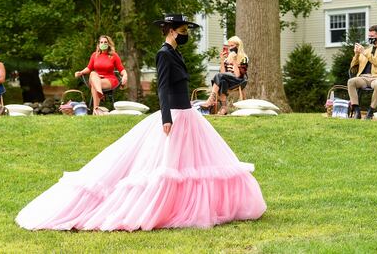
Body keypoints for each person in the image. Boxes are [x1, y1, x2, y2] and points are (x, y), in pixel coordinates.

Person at [15, 14, 266, 231]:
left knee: (195, 164)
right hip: (175, 115)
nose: (185, 34)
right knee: (166, 167)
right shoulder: (163, 54)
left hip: (188, 114)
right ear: (170, 31)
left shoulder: (176, 53)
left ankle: (184, 205)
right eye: (182, 31)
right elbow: (163, 89)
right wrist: (166, 117)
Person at [75, 35, 128, 115]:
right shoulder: (94, 55)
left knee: (94, 84)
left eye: (105, 42)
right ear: (99, 44)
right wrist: (81, 72)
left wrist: (125, 75)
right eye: (101, 42)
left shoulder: (114, 56)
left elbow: (122, 69)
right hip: (96, 78)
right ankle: (100, 94)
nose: (103, 43)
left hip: (109, 80)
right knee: (93, 73)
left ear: (109, 44)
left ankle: (95, 110)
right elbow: (89, 68)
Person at [201, 36, 249, 115]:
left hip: (239, 80)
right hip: (229, 80)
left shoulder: (244, 58)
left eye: (232, 46)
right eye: (229, 46)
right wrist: (222, 61)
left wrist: (234, 61)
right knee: (222, 80)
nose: (230, 48)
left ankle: (211, 99)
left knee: (219, 76)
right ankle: (224, 107)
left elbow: (237, 75)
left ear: (238, 46)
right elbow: (223, 73)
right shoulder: (228, 58)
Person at [348, 25, 377, 119]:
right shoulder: (367, 50)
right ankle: (357, 111)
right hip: (364, 78)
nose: (370, 38)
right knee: (351, 82)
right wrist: (357, 54)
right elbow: (353, 68)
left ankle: (370, 111)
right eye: (369, 36)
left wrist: (364, 52)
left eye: (372, 36)